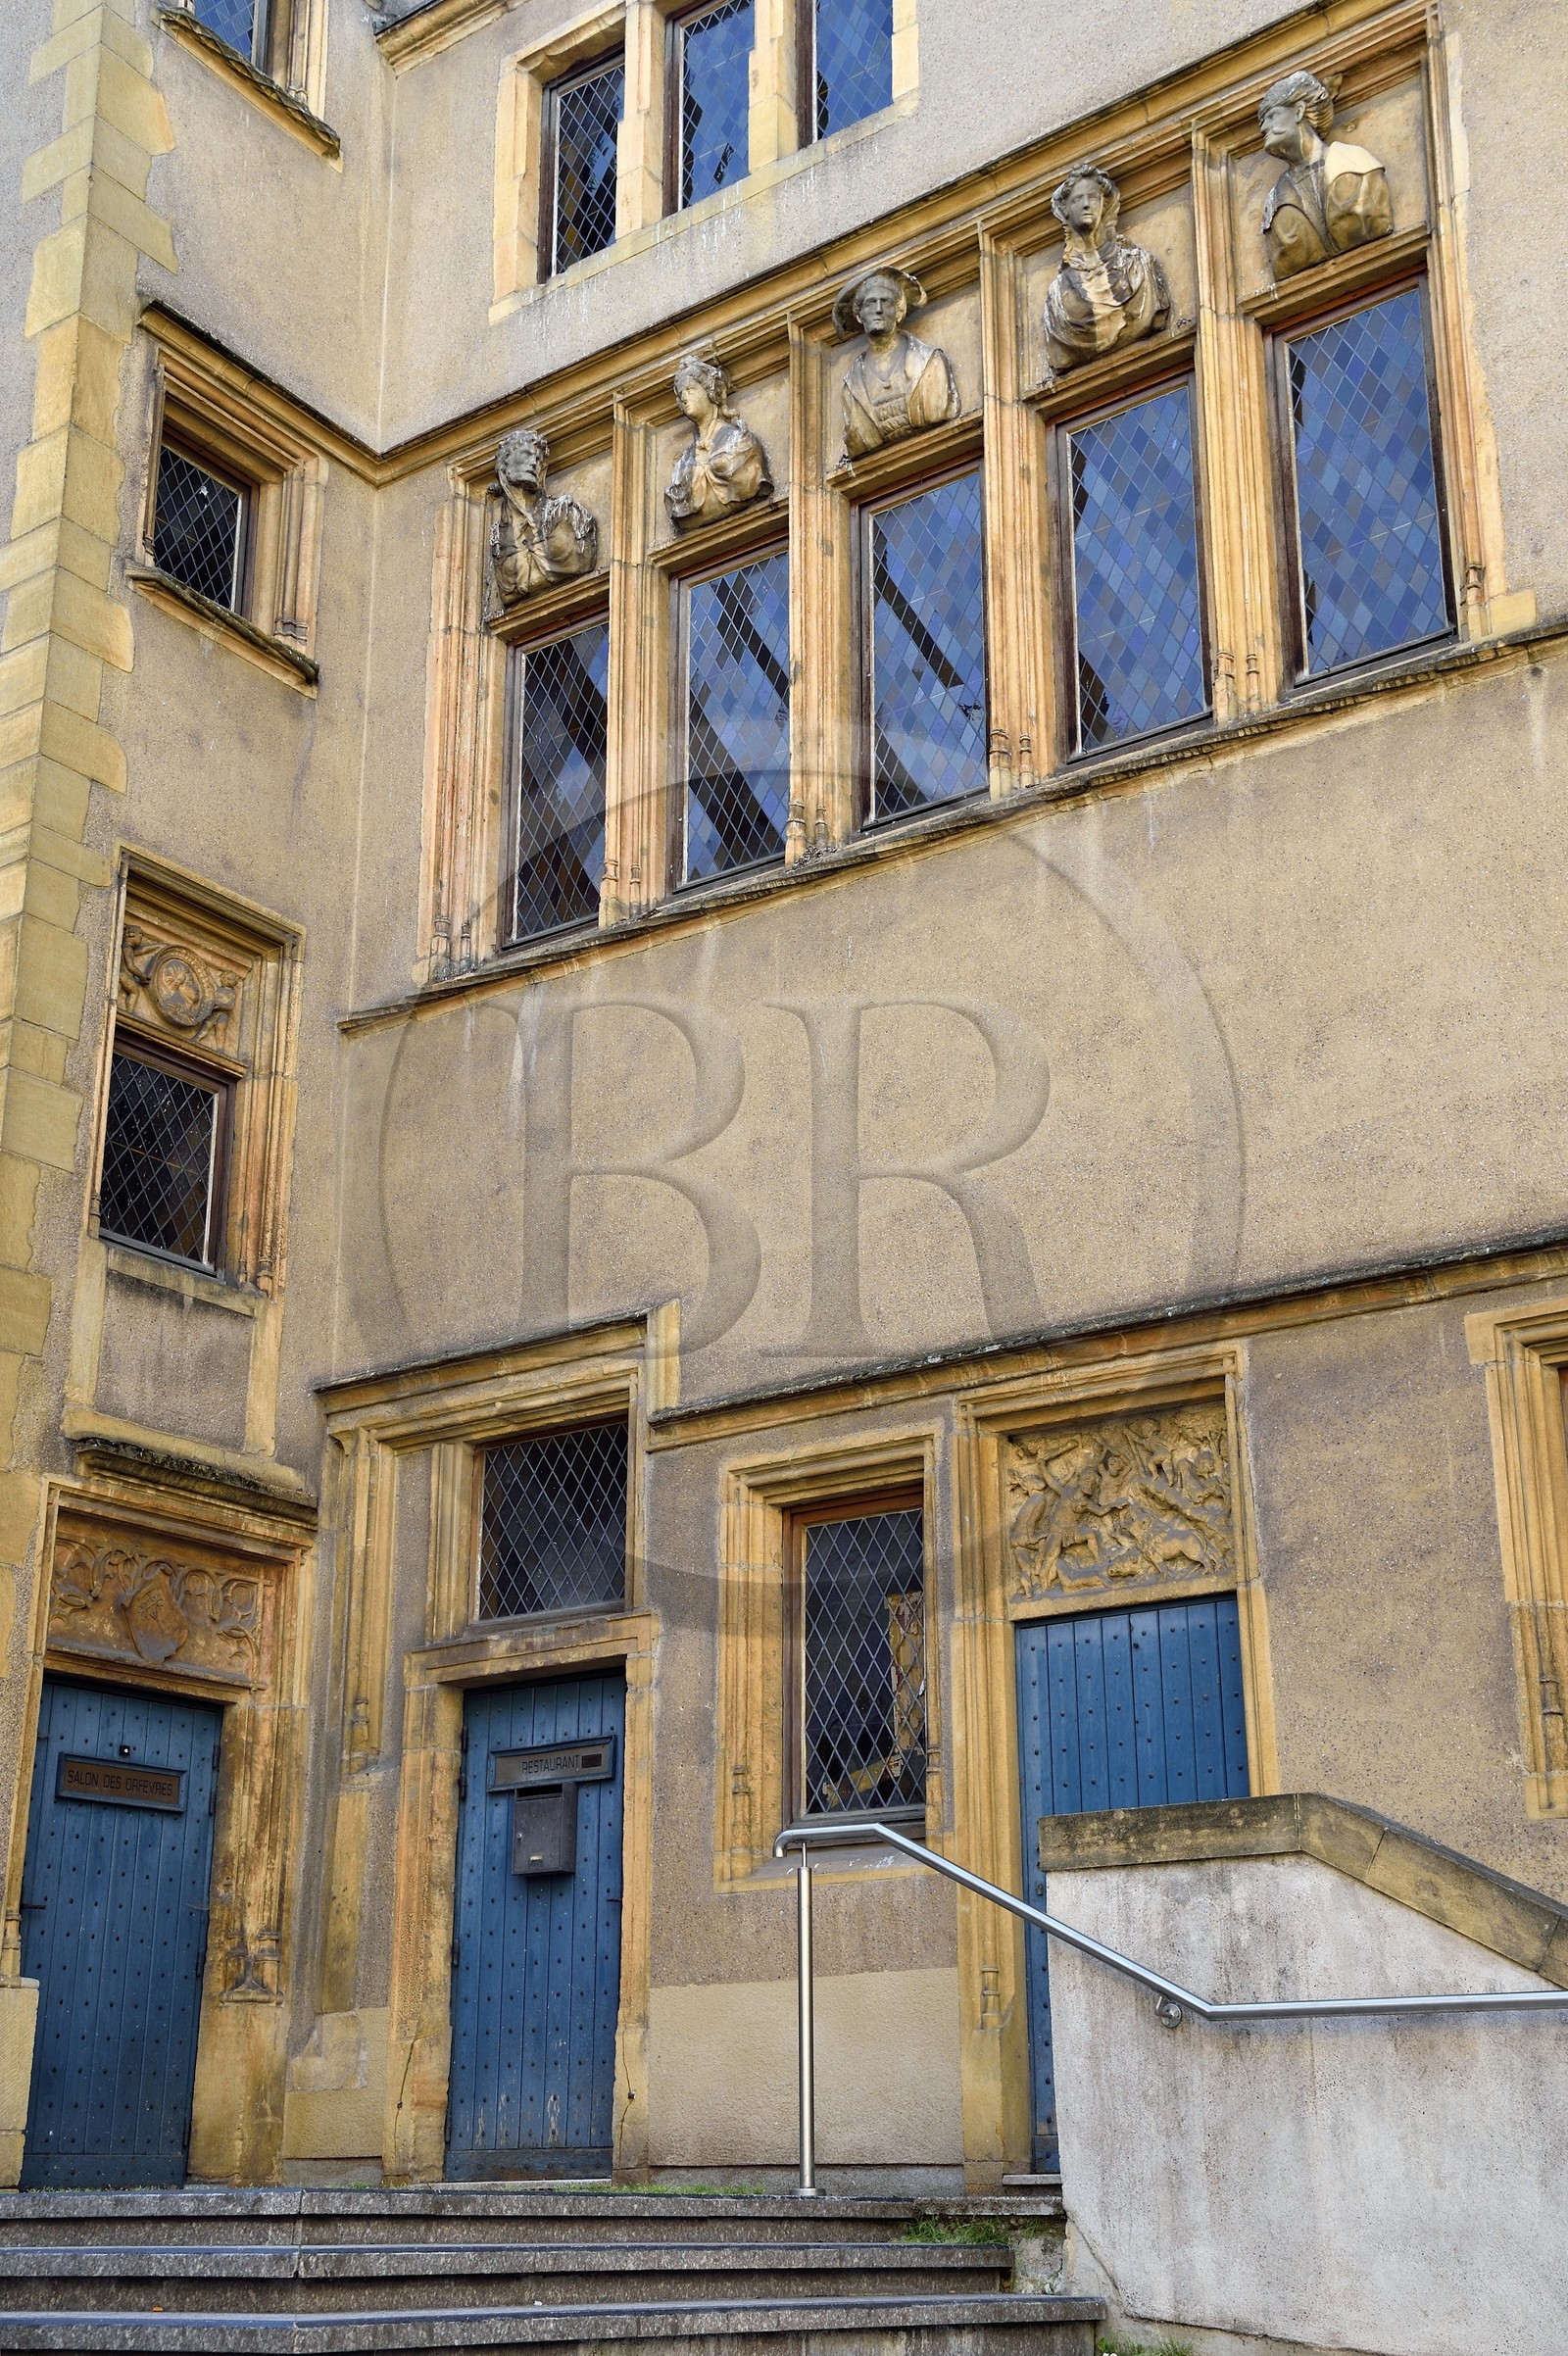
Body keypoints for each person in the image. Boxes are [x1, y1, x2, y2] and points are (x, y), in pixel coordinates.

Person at [1258, 69, 1392, 280]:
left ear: (1299, 111)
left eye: (1272, 116)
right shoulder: (1274, 203)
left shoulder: (1357, 164)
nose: (1264, 128)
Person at [1043, 165, 1170, 378]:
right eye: (1077, 199)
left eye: (1092, 198)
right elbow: (1061, 354)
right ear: (1065, 210)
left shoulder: (1139, 266)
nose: (1086, 205)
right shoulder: (1057, 296)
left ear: (1104, 203)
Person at [833, 266, 960, 461]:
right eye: (870, 303)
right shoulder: (851, 387)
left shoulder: (929, 362)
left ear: (899, 312)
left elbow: (938, 408)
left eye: (886, 302)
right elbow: (858, 438)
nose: (878, 309)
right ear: (859, 316)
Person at [488, 426, 598, 607]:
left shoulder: (565, 512)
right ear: (505, 463)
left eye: (538, 459)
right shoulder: (498, 536)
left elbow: (580, 562)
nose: (533, 463)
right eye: (525, 454)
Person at [664, 354, 772, 527]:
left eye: (691, 390)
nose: (685, 398)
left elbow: (746, 482)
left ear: (710, 392)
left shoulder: (739, 439)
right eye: (681, 394)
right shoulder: (684, 460)